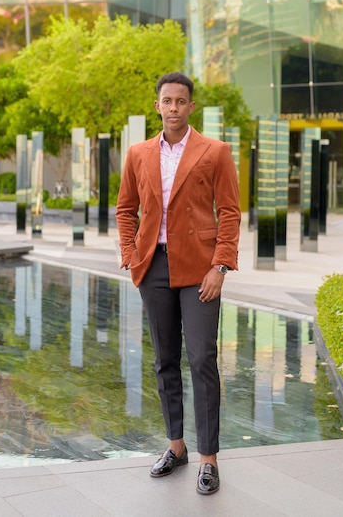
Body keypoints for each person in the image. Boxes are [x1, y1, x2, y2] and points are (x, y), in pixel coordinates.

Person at [116, 72, 241, 495]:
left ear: (191, 107)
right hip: (154, 268)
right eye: (166, 101)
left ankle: (209, 459)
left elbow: (230, 212)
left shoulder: (216, 151)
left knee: (202, 358)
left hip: (200, 270)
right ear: (158, 106)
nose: (173, 108)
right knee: (165, 359)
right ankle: (176, 446)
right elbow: (125, 209)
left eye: (180, 101)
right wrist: (131, 255)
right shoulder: (137, 154)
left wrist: (220, 267)